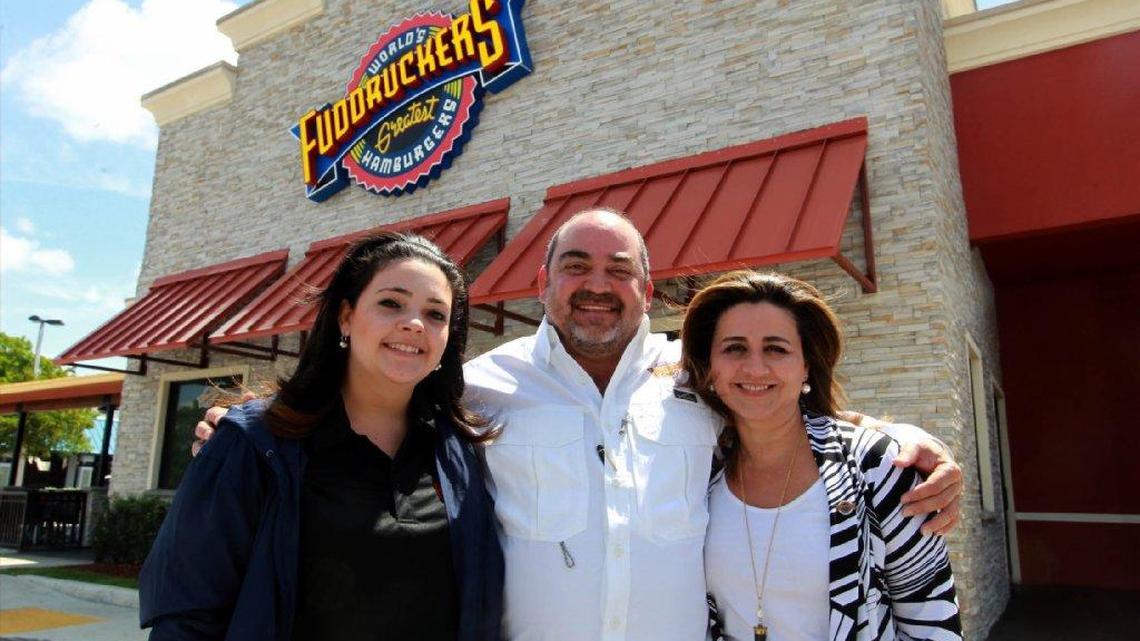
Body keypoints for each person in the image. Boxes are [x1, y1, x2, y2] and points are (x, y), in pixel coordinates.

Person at [194, 208, 963, 640]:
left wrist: (900, 438)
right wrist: (252, 427)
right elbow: (371, 396)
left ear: (647, 289)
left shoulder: (699, 380)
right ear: (542, 281)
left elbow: (781, 402)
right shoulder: (478, 389)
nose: (598, 285)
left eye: (619, 269)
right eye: (576, 266)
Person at [139, 232, 503, 641]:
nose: (415, 323)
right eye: (391, 303)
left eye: (436, 314)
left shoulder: (459, 453)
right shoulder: (256, 443)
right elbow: (188, 612)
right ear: (345, 317)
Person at [683, 271, 960, 641]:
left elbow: (933, 620)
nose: (754, 367)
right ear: (710, 366)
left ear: (806, 367)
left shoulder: (877, 469)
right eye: (734, 348)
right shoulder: (697, 468)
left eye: (776, 349)